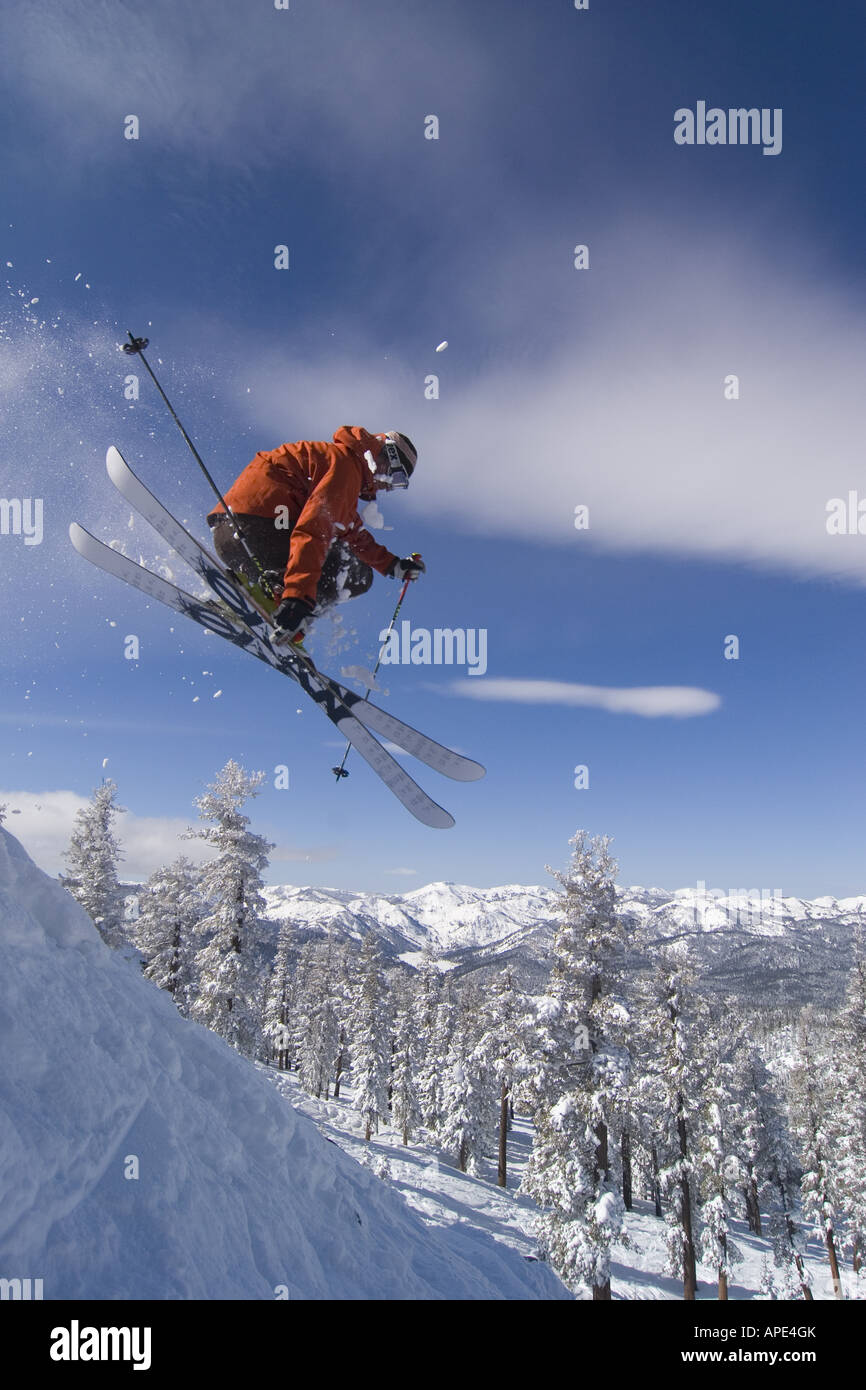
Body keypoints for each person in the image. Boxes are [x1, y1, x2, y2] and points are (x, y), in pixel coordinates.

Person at [207, 427, 424, 644]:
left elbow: (352, 532)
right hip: (259, 533)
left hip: (231, 535)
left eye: (397, 485)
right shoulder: (346, 469)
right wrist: (298, 597)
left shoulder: (339, 464)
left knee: (350, 560)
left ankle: (253, 593)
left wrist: (392, 564)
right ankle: (282, 609)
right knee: (354, 574)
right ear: (386, 458)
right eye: (395, 477)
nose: (388, 487)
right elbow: (314, 530)